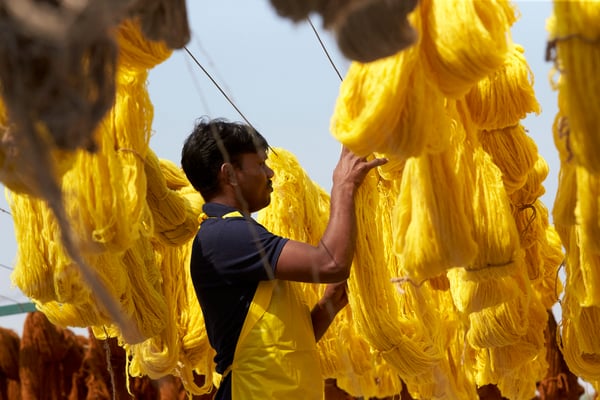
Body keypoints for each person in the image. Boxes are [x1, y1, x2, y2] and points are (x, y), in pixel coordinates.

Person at [181, 117, 386, 399]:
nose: (270, 173)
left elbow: (279, 346)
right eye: (261, 164)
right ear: (229, 174)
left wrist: (327, 305)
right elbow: (330, 263)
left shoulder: (236, 235)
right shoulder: (227, 235)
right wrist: (344, 184)